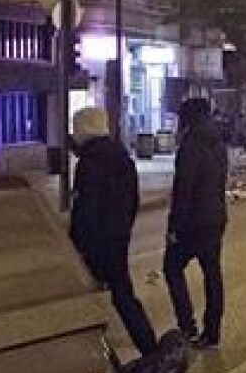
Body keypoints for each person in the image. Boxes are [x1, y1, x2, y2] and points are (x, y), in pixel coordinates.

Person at [70, 107, 158, 356]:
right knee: (123, 296)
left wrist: (77, 244)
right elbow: (133, 201)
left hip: (95, 243)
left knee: (91, 299)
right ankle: (148, 348)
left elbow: (87, 208)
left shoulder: (90, 162)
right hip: (117, 238)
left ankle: (92, 353)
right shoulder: (122, 157)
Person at [164, 97, 229, 349]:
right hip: (215, 218)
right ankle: (212, 333)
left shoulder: (191, 145)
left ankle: (187, 326)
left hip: (193, 222)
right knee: (212, 274)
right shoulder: (218, 143)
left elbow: (184, 190)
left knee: (172, 268)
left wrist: (174, 227)